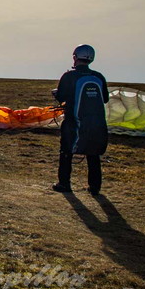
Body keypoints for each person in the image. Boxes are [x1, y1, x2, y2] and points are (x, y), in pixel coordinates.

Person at [52, 44, 109, 196]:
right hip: (96, 122)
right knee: (93, 153)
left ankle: (64, 183)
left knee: (66, 151)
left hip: (73, 121)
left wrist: (56, 94)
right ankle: (94, 187)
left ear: (75, 57)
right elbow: (105, 98)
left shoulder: (69, 76)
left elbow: (62, 97)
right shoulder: (98, 77)